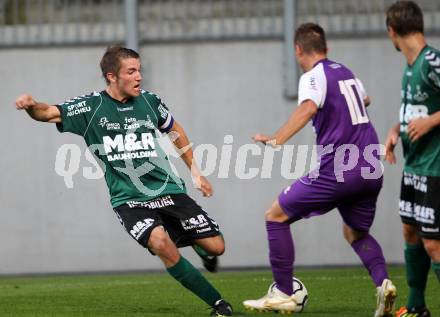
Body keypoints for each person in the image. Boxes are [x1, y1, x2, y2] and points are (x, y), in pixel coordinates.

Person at [15, 46, 233, 317]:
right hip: (129, 200)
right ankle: (219, 305)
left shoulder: (150, 101)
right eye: (131, 71)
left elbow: (174, 129)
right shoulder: (91, 107)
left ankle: (203, 251)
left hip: (169, 189)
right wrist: (31, 106)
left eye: (139, 70)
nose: (139, 77)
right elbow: (48, 113)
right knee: (160, 243)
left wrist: (196, 171)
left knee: (217, 246)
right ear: (111, 76)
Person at [243, 23, 396, 317]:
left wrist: (276, 139)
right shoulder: (346, 72)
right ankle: (384, 283)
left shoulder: (313, 76)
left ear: (298, 50)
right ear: (326, 48)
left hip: (340, 168)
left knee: (275, 215)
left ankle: (284, 292)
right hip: (371, 168)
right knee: (355, 232)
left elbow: (308, 108)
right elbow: (366, 99)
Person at [384, 2, 440, 317]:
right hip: (414, 166)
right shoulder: (409, 65)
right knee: (410, 231)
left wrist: (432, 122)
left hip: (435, 168)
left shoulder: (431, 61)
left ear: (392, 31)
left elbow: (428, 118)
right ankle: (417, 306)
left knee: (433, 245)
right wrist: (396, 131)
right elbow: (414, 114)